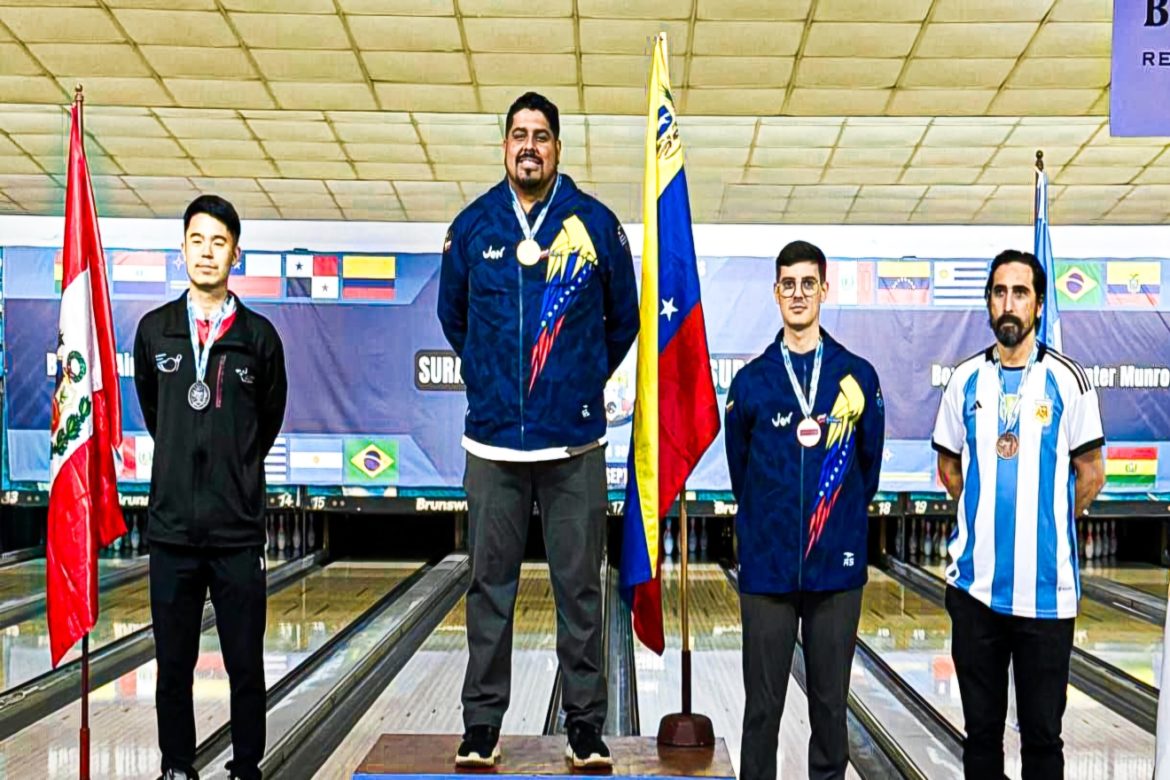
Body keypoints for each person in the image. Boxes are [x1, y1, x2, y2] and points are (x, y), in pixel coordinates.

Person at [437, 92, 638, 768]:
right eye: (520, 135)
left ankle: (585, 727)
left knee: (580, 589)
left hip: (572, 444)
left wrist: (576, 383)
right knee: (487, 589)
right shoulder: (473, 227)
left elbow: (624, 320)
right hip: (492, 443)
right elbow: (453, 317)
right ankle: (482, 727)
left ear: (558, 148)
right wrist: (496, 379)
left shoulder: (596, 224)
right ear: (504, 146)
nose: (531, 146)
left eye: (542, 136)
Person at [932, 249, 1105, 779]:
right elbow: (949, 466)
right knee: (980, 736)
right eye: (1000, 292)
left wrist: (1047, 516)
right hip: (976, 592)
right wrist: (984, 515)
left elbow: (1092, 472)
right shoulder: (964, 380)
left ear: (1038, 304)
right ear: (989, 302)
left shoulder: (1068, 379)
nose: (1009, 304)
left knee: (1042, 739)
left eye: (1020, 293)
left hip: (1046, 597)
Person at [133, 195, 287, 780]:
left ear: (235, 254)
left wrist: (235, 471)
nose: (206, 252)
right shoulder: (155, 333)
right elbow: (156, 411)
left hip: (237, 533)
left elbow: (265, 423)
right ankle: (176, 767)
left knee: (245, 664)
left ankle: (246, 767)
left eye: (218, 242)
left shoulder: (259, 339)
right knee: (173, 665)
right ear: (182, 250)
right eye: (197, 240)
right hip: (171, 530)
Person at [725, 240, 885, 780]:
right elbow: (739, 470)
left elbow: (869, 465)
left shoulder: (857, 376)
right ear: (775, 293)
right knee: (762, 710)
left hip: (835, 572)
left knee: (830, 709)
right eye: (787, 285)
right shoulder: (751, 382)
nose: (798, 294)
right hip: (768, 569)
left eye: (807, 284)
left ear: (824, 290)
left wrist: (835, 525)